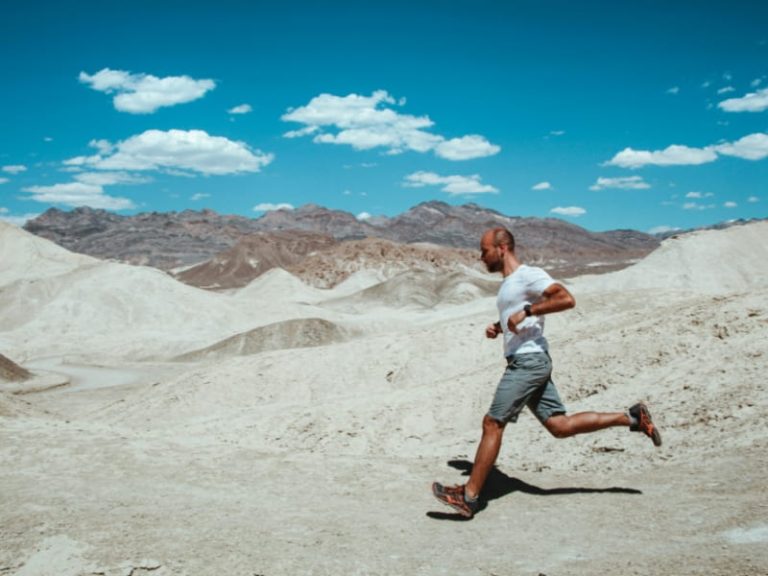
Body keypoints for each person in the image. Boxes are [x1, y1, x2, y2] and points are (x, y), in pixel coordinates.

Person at [432, 227, 661, 518]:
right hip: (528, 359)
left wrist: (527, 311)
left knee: (493, 423)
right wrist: (500, 326)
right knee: (559, 426)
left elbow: (566, 299)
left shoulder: (529, 274)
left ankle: (469, 496)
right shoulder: (509, 283)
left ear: (502, 249)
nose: (481, 257)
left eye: (484, 250)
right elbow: (517, 316)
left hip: (528, 362)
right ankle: (632, 417)